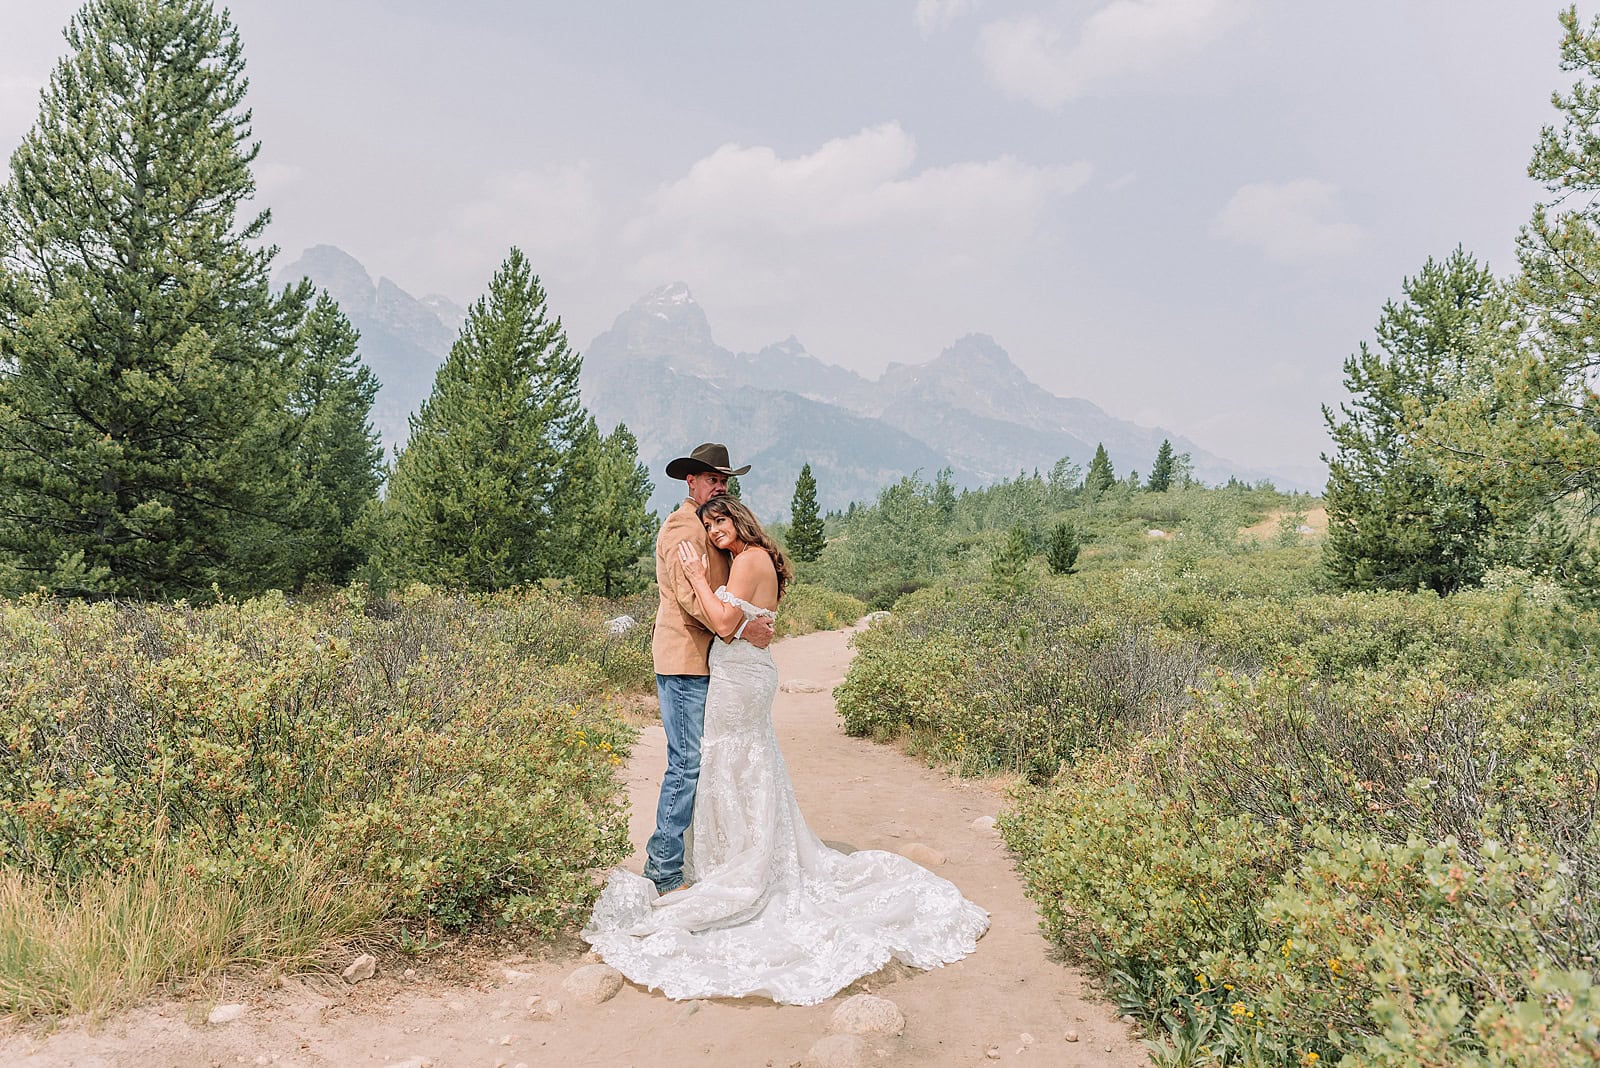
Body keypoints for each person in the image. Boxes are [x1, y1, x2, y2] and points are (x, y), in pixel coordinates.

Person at [584, 495, 989, 1006]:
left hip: (738, 678)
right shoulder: (754, 558)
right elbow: (739, 621)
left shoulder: (748, 560)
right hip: (743, 673)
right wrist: (729, 603)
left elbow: (725, 623)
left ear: (740, 520)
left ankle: (738, 862)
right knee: (740, 764)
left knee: (725, 762)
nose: (712, 532)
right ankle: (742, 852)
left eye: (720, 521)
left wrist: (700, 578)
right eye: (708, 524)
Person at [642, 442, 775, 896]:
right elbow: (687, 594)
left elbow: (737, 589)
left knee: (708, 760)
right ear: (691, 482)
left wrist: (751, 621)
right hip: (685, 660)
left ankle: (706, 857)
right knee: (687, 764)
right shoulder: (683, 526)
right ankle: (662, 871)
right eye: (711, 479)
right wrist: (738, 631)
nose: (719, 486)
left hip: (711, 660)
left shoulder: (710, 526)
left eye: (724, 481)